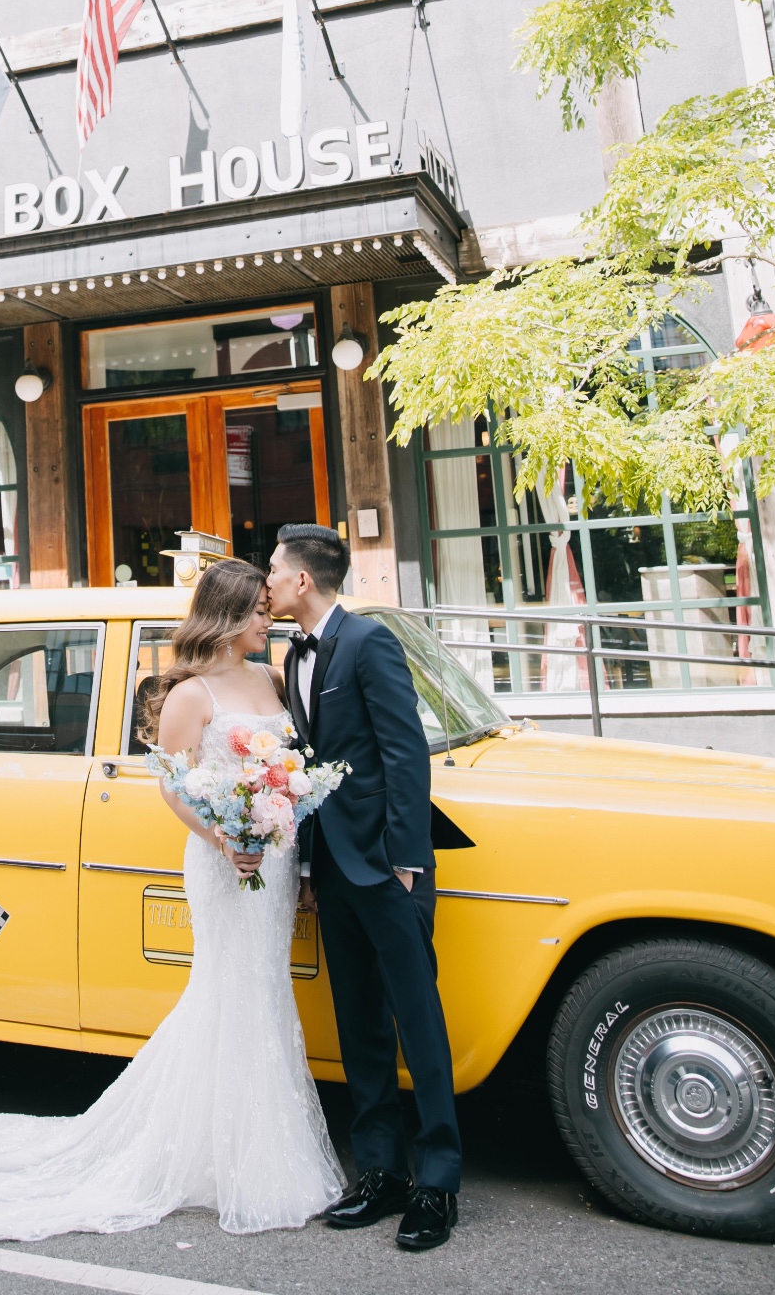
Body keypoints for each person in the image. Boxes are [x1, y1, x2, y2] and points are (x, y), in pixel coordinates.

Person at [0, 558, 343, 1244]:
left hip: (275, 861)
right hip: (224, 863)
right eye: (261, 610)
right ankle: (223, 1160)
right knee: (228, 992)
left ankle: (244, 1151)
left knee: (262, 994)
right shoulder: (191, 695)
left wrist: (281, 824)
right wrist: (226, 837)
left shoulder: (270, 677)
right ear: (231, 616)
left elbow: (288, 764)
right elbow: (176, 786)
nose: (272, 619)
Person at [267, 523, 461, 1253]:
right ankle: (380, 1172)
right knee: (360, 1026)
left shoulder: (368, 642)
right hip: (333, 871)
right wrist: (311, 867)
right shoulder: (294, 653)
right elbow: (311, 763)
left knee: (419, 1023)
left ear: (304, 582)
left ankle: (438, 1184)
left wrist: (408, 858)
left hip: (387, 866)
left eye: (275, 572)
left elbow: (404, 752)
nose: (269, 582)